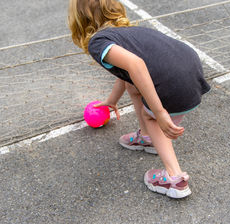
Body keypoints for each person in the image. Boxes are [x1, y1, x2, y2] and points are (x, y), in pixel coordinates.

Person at [68, 0, 210, 198]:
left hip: (175, 83)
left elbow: (135, 65)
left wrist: (159, 113)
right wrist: (112, 100)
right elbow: (127, 74)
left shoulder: (98, 43)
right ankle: (147, 138)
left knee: (151, 116)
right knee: (133, 85)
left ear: (79, 19)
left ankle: (175, 179)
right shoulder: (127, 33)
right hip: (191, 70)